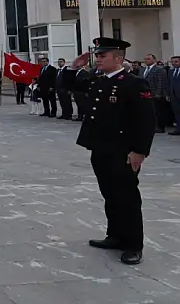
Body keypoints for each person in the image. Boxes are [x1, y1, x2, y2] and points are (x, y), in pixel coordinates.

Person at [63, 37, 155, 265]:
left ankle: (133, 244)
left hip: (123, 151)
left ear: (119, 58)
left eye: (103, 56)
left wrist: (139, 151)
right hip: (101, 148)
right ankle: (115, 235)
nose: (98, 59)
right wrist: (74, 67)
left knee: (127, 197)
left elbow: (146, 120)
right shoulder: (99, 80)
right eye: (98, 55)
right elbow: (68, 85)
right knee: (110, 195)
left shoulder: (134, 83)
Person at [141, 54, 168, 133]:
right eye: (145, 59)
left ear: (154, 60)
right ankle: (151, 126)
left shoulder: (159, 69)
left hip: (155, 93)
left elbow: (160, 82)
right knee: (149, 112)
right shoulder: (143, 69)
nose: (146, 60)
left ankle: (160, 127)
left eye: (148, 59)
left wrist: (158, 93)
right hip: (145, 93)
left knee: (158, 112)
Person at [169, 56, 180, 135]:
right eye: (172, 62)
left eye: (176, 62)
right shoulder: (171, 71)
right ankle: (178, 129)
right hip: (174, 96)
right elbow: (169, 83)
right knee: (176, 113)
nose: (174, 63)